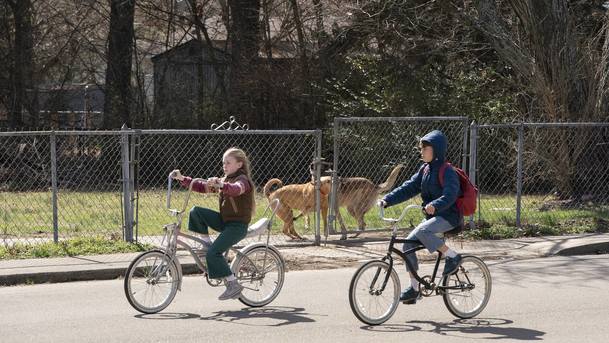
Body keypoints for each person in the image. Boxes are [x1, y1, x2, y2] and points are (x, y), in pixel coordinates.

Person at [378, 130, 463, 304]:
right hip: (433, 218)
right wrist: (387, 199)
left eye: (425, 147)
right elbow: (408, 188)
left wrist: (435, 205)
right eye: (421, 148)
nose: (421, 151)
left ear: (436, 149)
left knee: (423, 230)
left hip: (449, 216)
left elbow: (451, 194)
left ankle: (453, 256)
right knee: (408, 244)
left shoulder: (448, 171)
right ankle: (415, 288)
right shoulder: (424, 170)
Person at [171, 147, 255, 301]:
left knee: (214, 254)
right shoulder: (225, 179)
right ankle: (206, 244)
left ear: (239, 164)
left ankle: (233, 284)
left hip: (237, 226)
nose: (224, 166)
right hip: (225, 221)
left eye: (228, 163)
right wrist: (182, 178)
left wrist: (221, 185)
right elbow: (200, 186)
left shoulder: (243, 181)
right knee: (196, 212)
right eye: (223, 163)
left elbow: (236, 190)